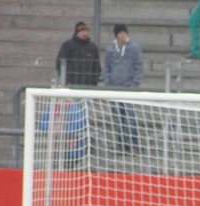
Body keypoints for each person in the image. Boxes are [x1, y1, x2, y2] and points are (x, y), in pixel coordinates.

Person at [104, 24, 144, 153]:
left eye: (124, 33)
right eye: (120, 33)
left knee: (130, 117)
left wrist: (135, 83)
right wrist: (108, 85)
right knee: (118, 118)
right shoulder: (110, 49)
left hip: (128, 88)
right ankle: (121, 144)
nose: (122, 35)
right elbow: (107, 68)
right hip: (114, 89)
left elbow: (139, 66)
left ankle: (134, 143)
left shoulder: (134, 48)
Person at [56, 21, 101, 86]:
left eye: (86, 31)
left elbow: (97, 67)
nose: (85, 34)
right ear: (77, 32)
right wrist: (66, 80)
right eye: (82, 31)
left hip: (88, 86)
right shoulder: (67, 45)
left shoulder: (93, 48)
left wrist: (93, 82)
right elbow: (60, 63)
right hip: (70, 85)